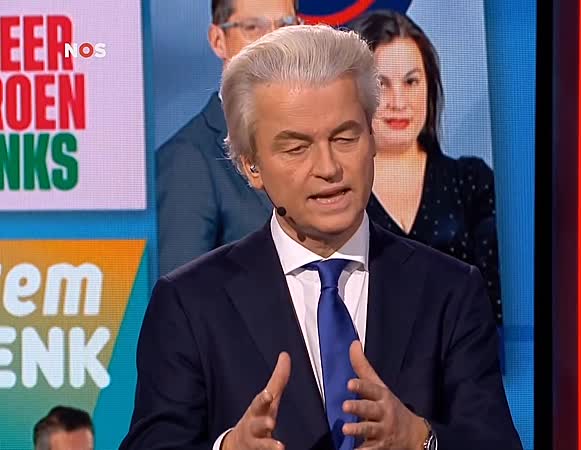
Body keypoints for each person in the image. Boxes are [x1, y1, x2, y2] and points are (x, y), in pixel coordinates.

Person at [122, 24, 521, 450]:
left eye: (345, 138)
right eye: (296, 148)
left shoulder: (450, 292)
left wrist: (421, 439)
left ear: (372, 139)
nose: (329, 168)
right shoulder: (189, 304)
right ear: (251, 166)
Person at [348, 11, 504, 325]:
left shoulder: (470, 182)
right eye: (380, 84)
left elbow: (499, 305)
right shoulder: (332, 188)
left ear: (429, 86)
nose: (398, 101)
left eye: (411, 82)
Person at [157, 0, 301, 276]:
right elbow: (182, 293)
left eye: (286, 26)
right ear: (218, 40)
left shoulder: (321, 138)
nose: (275, 42)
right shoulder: (187, 159)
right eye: (253, 27)